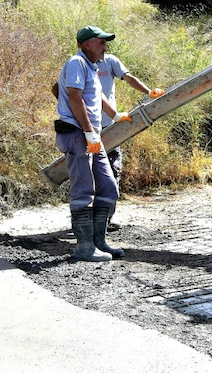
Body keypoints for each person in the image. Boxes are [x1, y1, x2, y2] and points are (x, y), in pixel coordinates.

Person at [55, 25, 130, 262]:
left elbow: (96, 96)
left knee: (108, 187)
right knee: (83, 190)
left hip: (91, 136)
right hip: (79, 135)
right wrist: (88, 131)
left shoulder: (91, 67)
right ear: (87, 44)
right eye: (101, 42)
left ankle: (99, 242)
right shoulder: (76, 63)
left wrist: (116, 116)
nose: (105, 47)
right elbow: (75, 97)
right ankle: (84, 247)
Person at [96, 53, 163, 180]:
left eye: (104, 43)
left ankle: (111, 197)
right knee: (91, 166)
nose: (104, 47)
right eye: (100, 43)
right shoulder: (79, 64)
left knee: (112, 164)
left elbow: (128, 78)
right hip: (87, 125)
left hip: (108, 123)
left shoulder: (109, 61)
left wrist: (149, 92)